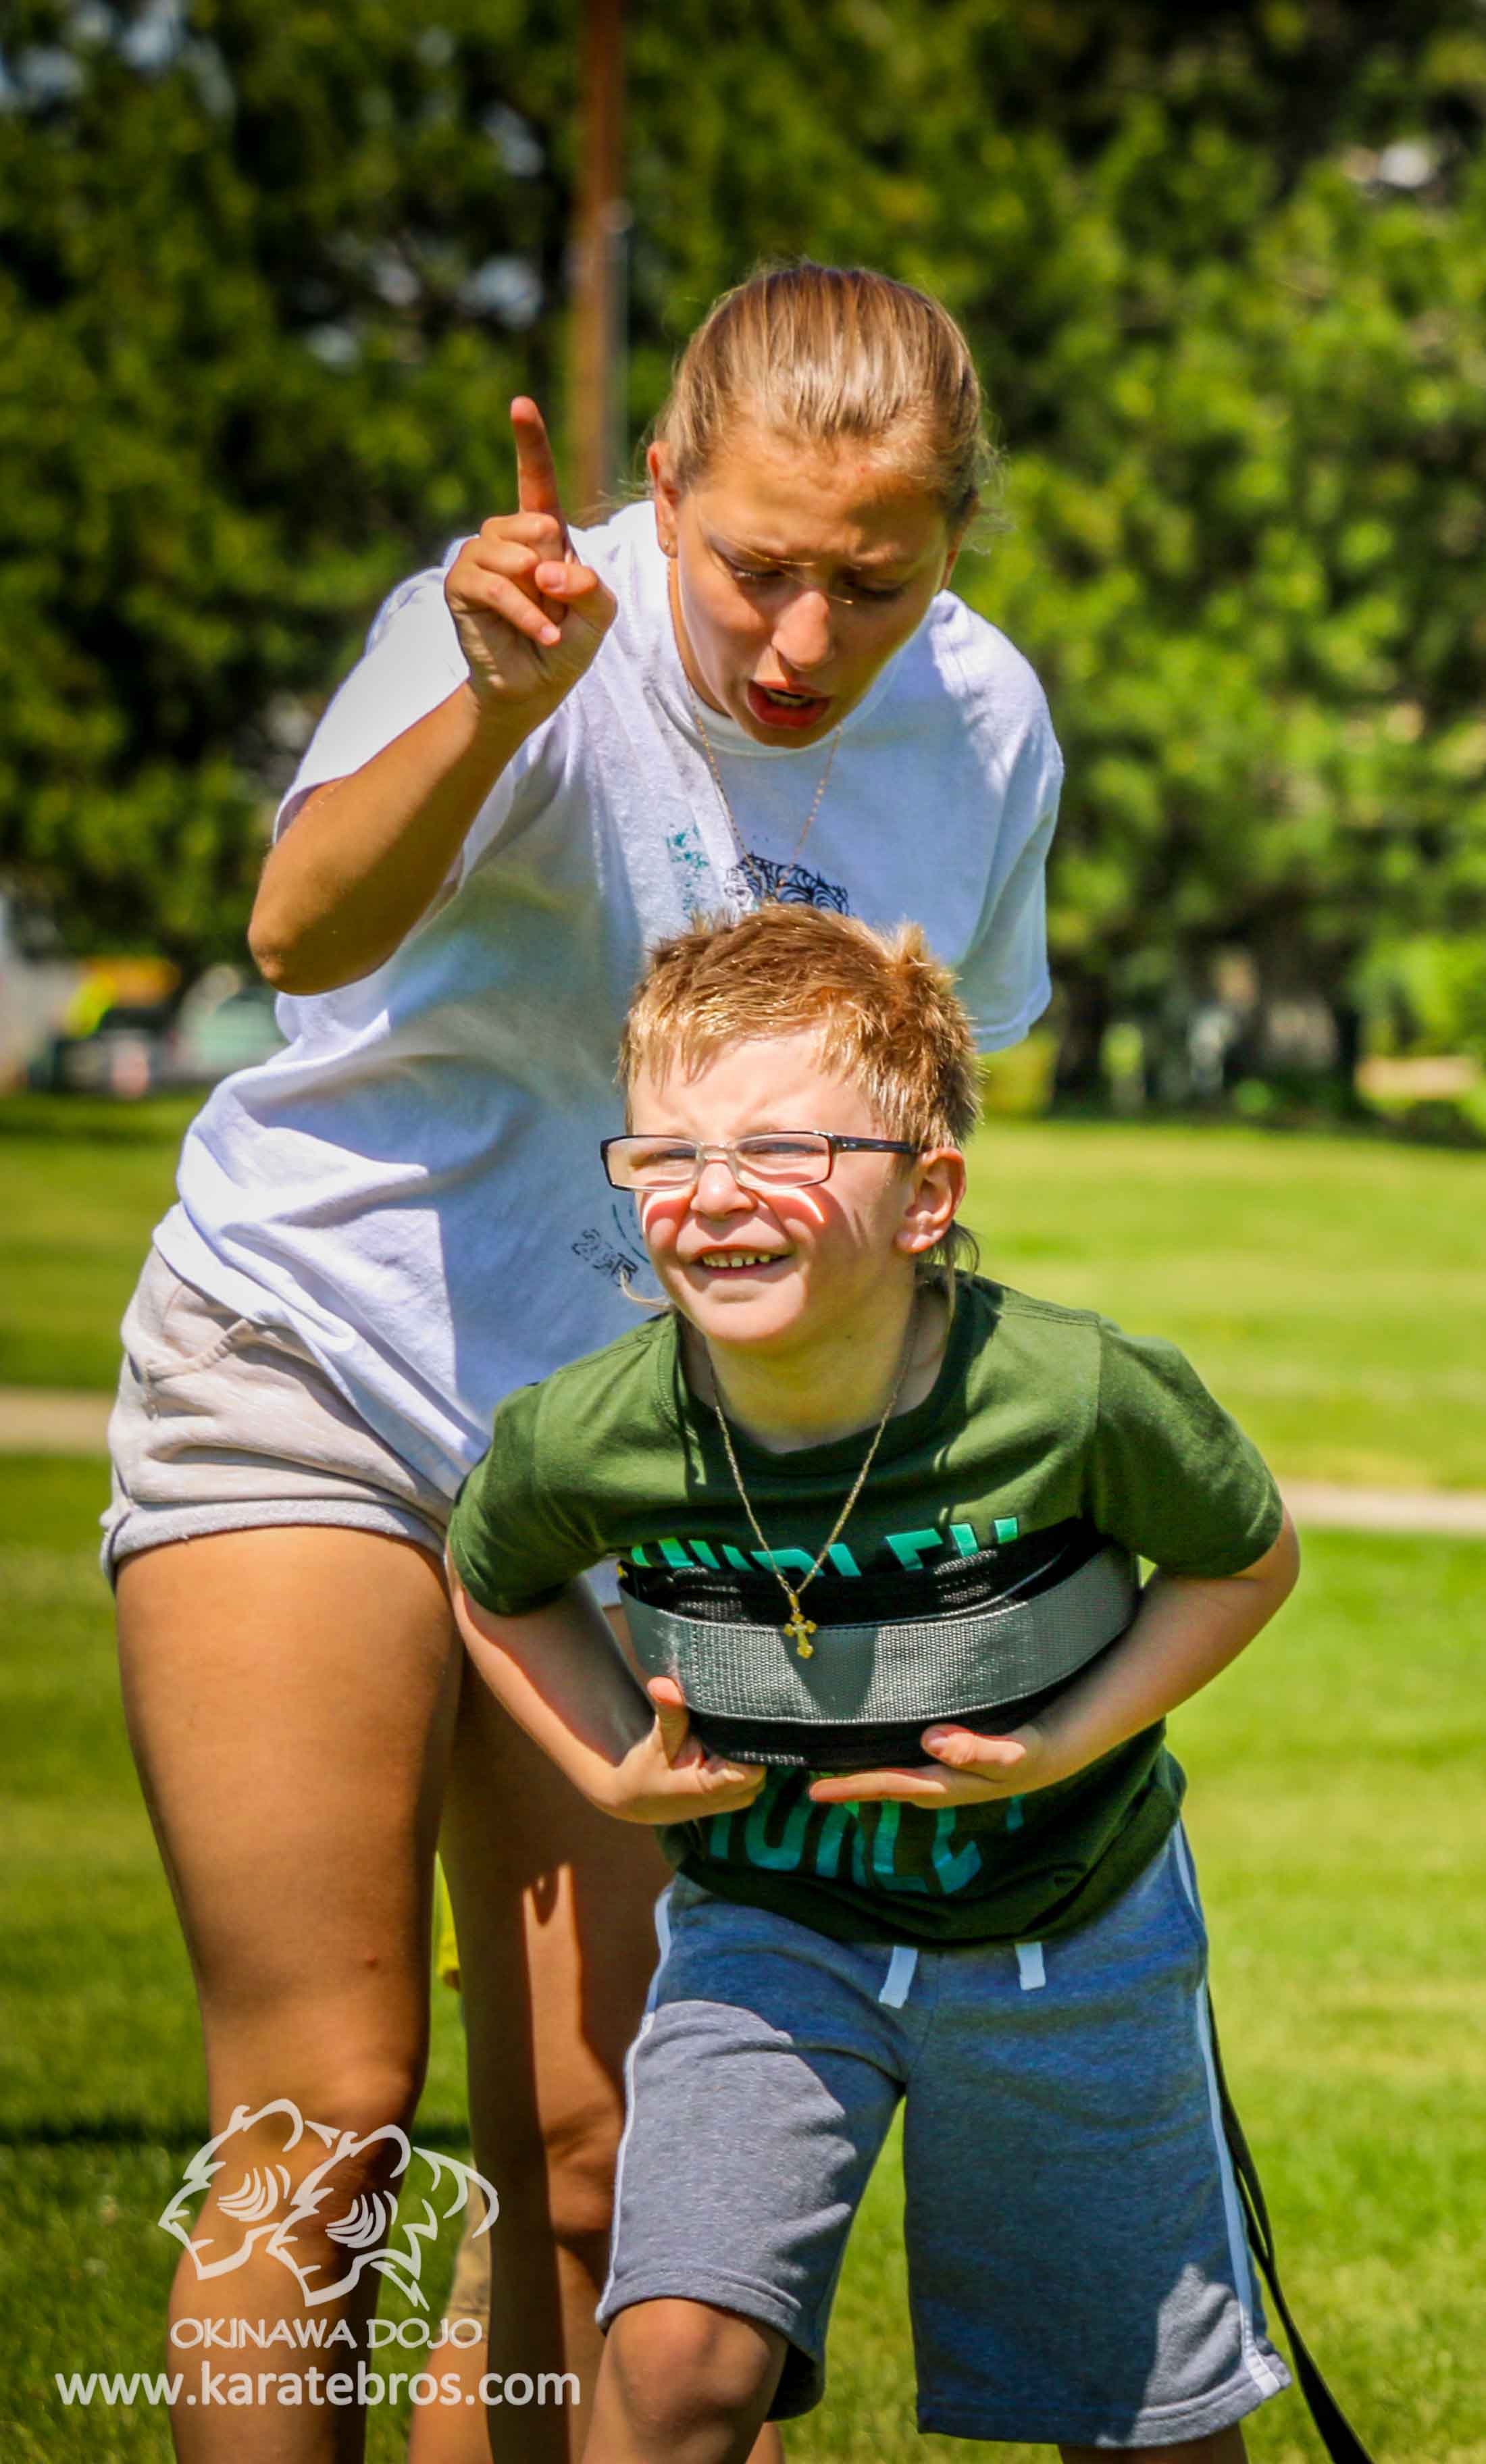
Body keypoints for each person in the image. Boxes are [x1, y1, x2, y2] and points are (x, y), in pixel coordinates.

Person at [107, 259, 1058, 2463]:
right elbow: (297, 931)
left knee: (609, 2137)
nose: (805, 644)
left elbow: (928, 1103)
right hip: (315, 1353)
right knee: (326, 2104)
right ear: (660, 489)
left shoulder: (988, 720)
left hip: (643, 1458)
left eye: (874, 582)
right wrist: (494, 702)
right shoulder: (513, 621)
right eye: (752, 572)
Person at [445, 906, 1305, 2461]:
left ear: (928, 1199)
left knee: (1145, 2421)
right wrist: (603, 1766)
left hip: (1072, 1935)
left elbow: (1244, 1562)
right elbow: (489, 1574)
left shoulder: (1076, 1397)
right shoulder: (586, 1435)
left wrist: (1060, 1744)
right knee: (675, 2367)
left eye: (782, 1149)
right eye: (667, 1155)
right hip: (770, 1935)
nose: (715, 1199)